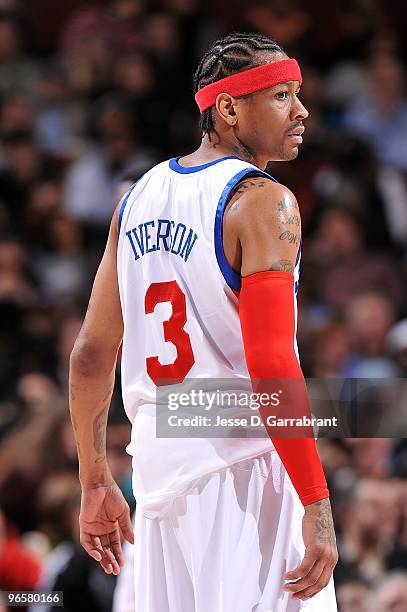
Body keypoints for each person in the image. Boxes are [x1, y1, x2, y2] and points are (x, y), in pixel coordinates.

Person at [69, 32, 338, 611]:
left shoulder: (135, 198)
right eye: (282, 96)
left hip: (161, 481)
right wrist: (316, 500)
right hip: (247, 470)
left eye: (299, 94)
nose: (301, 111)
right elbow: (271, 363)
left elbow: (91, 353)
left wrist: (93, 481)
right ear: (229, 108)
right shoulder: (265, 201)